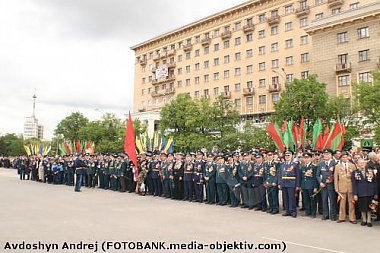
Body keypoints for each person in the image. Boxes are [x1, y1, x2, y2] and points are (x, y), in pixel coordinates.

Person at [352, 159, 378, 227]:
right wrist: (355, 194)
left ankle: (369, 220)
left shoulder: (370, 171)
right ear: (357, 164)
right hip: (361, 192)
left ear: (365, 164)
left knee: (370, 206)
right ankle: (364, 220)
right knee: (362, 207)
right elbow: (354, 184)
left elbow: (375, 182)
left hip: (370, 192)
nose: (362, 164)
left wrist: (376, 193)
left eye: (363, 163)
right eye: (360, 163)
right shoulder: (355, 172)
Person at [334, 151, 357, 224]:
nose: (345, 158)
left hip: (351, 187)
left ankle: (352, 218)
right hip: (341, 187)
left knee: (351, 203)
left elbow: (355, 177)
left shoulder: (352, 165)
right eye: (343, 157)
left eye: (346, 157)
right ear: (340, 158)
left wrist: (355, 187)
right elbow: (335, 178)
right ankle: (342, 217)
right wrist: (336, 187)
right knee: (342, 203)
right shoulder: (337, 166)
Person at [316, 148, 337, 221]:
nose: (326, 155)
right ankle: (325, 214)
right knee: (324, 200)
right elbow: (317, 175)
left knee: (332, 200)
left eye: (327, 154)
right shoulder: (321, 163)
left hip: (332, 185)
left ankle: (333, 215)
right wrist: (320, 183)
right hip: (323, 186)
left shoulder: (335, 163)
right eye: (324, 154)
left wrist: (331, 180)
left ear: (331, 155)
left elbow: (336, 175)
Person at [278, 149, 300, 218]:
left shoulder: (295, 164)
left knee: (291, 198)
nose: (287, 156)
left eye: (288, 155)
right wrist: (279, 183)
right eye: (286, 155)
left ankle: (293, 211)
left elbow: (298, 176)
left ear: (292, 156)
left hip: (292, 183)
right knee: (285, 198)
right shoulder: (282, 165)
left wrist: (297, 185)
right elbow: (279, 174)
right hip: (284, 183)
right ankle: (287, 211)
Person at [299, 152, 318, 218]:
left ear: (311, 158)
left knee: (312, 200)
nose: (306, 159)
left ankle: (313, 213)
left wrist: (315, 187)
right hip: (304, 185)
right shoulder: (302, 167)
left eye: (307, 158)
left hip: (311, 185)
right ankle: (307, 211)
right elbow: (301, 177)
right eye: (305, 158)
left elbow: (315, 177)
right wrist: (300, 186)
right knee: (305, 199)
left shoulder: (314, 167)